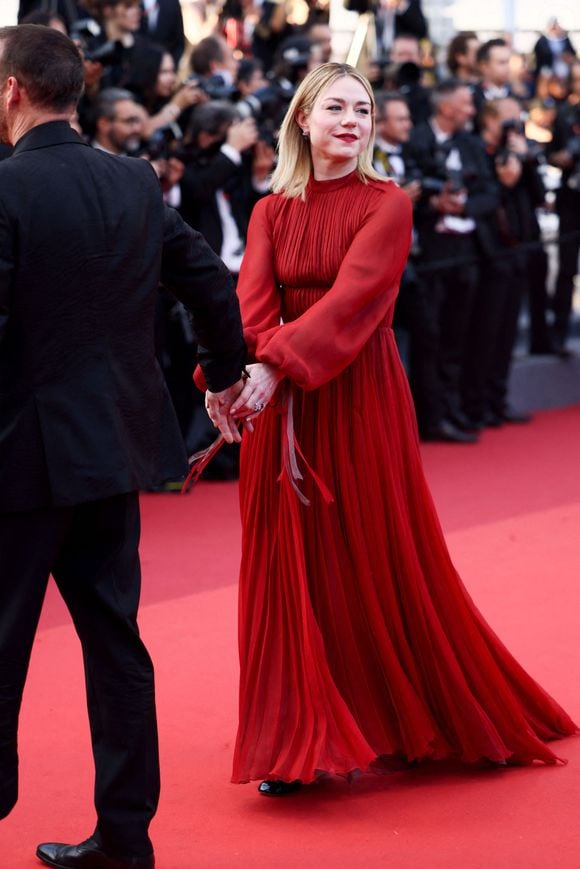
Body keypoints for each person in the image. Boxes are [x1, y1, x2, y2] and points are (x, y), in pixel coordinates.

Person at [205, 62, 576, 796]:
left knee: (369, 554)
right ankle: (296, 736)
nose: (352, 120)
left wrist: (274, 364)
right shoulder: (270, 209)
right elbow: (248, 304)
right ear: (302, 120)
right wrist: (237, 376)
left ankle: (391, 714)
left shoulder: (388, 203)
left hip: (356, 393)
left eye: (363, 109)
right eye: (336, 108)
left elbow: (357, 299)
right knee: (289, 566)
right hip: (281, 396)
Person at [0, 23, 246, 868]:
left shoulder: (5, 190)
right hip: (110, 454)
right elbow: (210, 280)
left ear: (11, 92)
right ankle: (127, 839)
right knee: (116, 643)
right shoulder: (135, 182)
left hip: (20, 465)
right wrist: (221, 374)